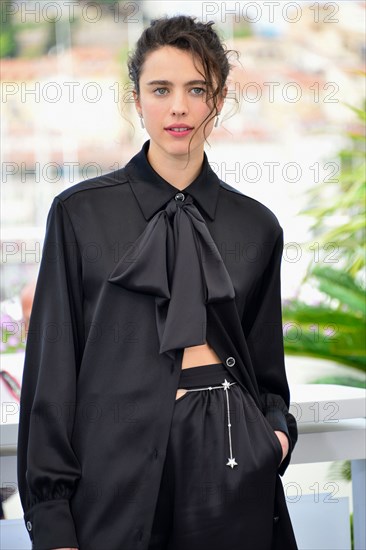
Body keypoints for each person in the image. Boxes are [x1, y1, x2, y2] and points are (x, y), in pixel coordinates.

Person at [17, 14, 298, 550]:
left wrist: (275, 436)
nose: (178, 108)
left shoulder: (257, 227)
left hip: (234, 469)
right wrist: (52, 517)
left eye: (197, 89)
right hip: (112, 473)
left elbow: (267, 372)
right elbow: (51, 376)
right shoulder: (79, 215)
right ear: (136, 98)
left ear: (218, 99)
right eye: (161, 89)